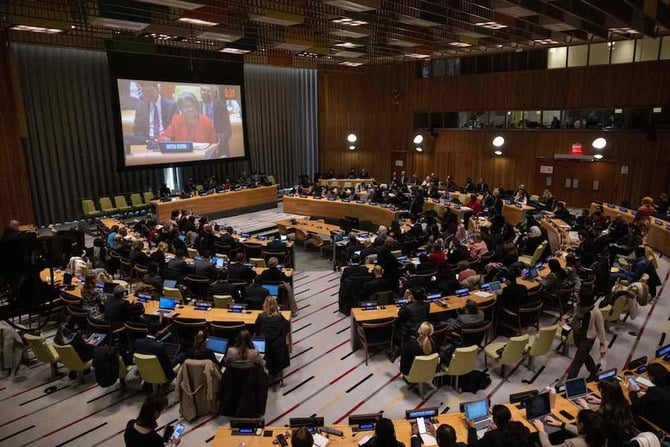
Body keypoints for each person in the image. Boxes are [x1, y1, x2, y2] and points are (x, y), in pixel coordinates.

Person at [566, 293, 606, 380]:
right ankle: (593, 371)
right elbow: (574, 318)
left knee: (577, 361)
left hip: (588, 338)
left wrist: (602, 345)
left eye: (579, 296)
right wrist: (567, 322)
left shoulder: (595, 312)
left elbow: (601, 329)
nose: (576, 296)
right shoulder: (577, 306)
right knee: (584, 355)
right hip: (577, 335)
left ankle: (569, 382)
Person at [254, 296, 289, 378]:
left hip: (264, 346)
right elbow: (286, 327)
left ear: (264, 305)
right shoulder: (279, 317)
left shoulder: (261, 316)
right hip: (278, 346)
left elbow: (256, 330)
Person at [629, 362, 670, 432]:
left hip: (660, 427)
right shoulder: (662, 388)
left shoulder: (655, 392)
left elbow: (636, 404)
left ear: (653, 377)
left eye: (647, 374)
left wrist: (632, 392)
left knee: (629, 408)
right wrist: (648, 389)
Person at [534, 409, 605, 447]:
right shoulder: (599, 435)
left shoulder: (573, 443)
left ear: (581, 425)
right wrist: (561, 424)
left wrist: (541, 431)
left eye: (577, 420)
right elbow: (580, 431)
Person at [200, 85, 231, 149]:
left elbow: (227, 130)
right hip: (200, 144)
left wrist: (217, 139)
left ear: (213, 93)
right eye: (203, 90)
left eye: (208, 91)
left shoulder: (221, 107)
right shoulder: (196, 107)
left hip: (218, 143)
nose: (205, 92)